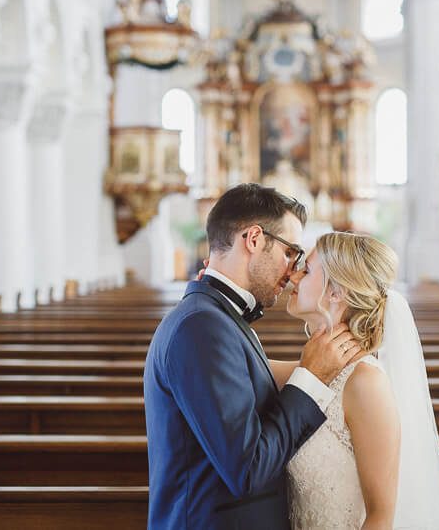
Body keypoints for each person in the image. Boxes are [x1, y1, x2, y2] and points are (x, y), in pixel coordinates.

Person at [144, 183, 366, 529]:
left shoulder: (213, 317)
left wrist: (336, 364)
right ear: (254, 239)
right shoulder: (202, 325)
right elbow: (249, 469)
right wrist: (311, 377)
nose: (293, 270)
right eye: (291, 251)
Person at [282, 231, 439, 529]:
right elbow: (248, 366)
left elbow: (381, 517)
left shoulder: (365, 382)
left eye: (307, 269)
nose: (293, 276)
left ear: (336, 292)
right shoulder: (316, 368)